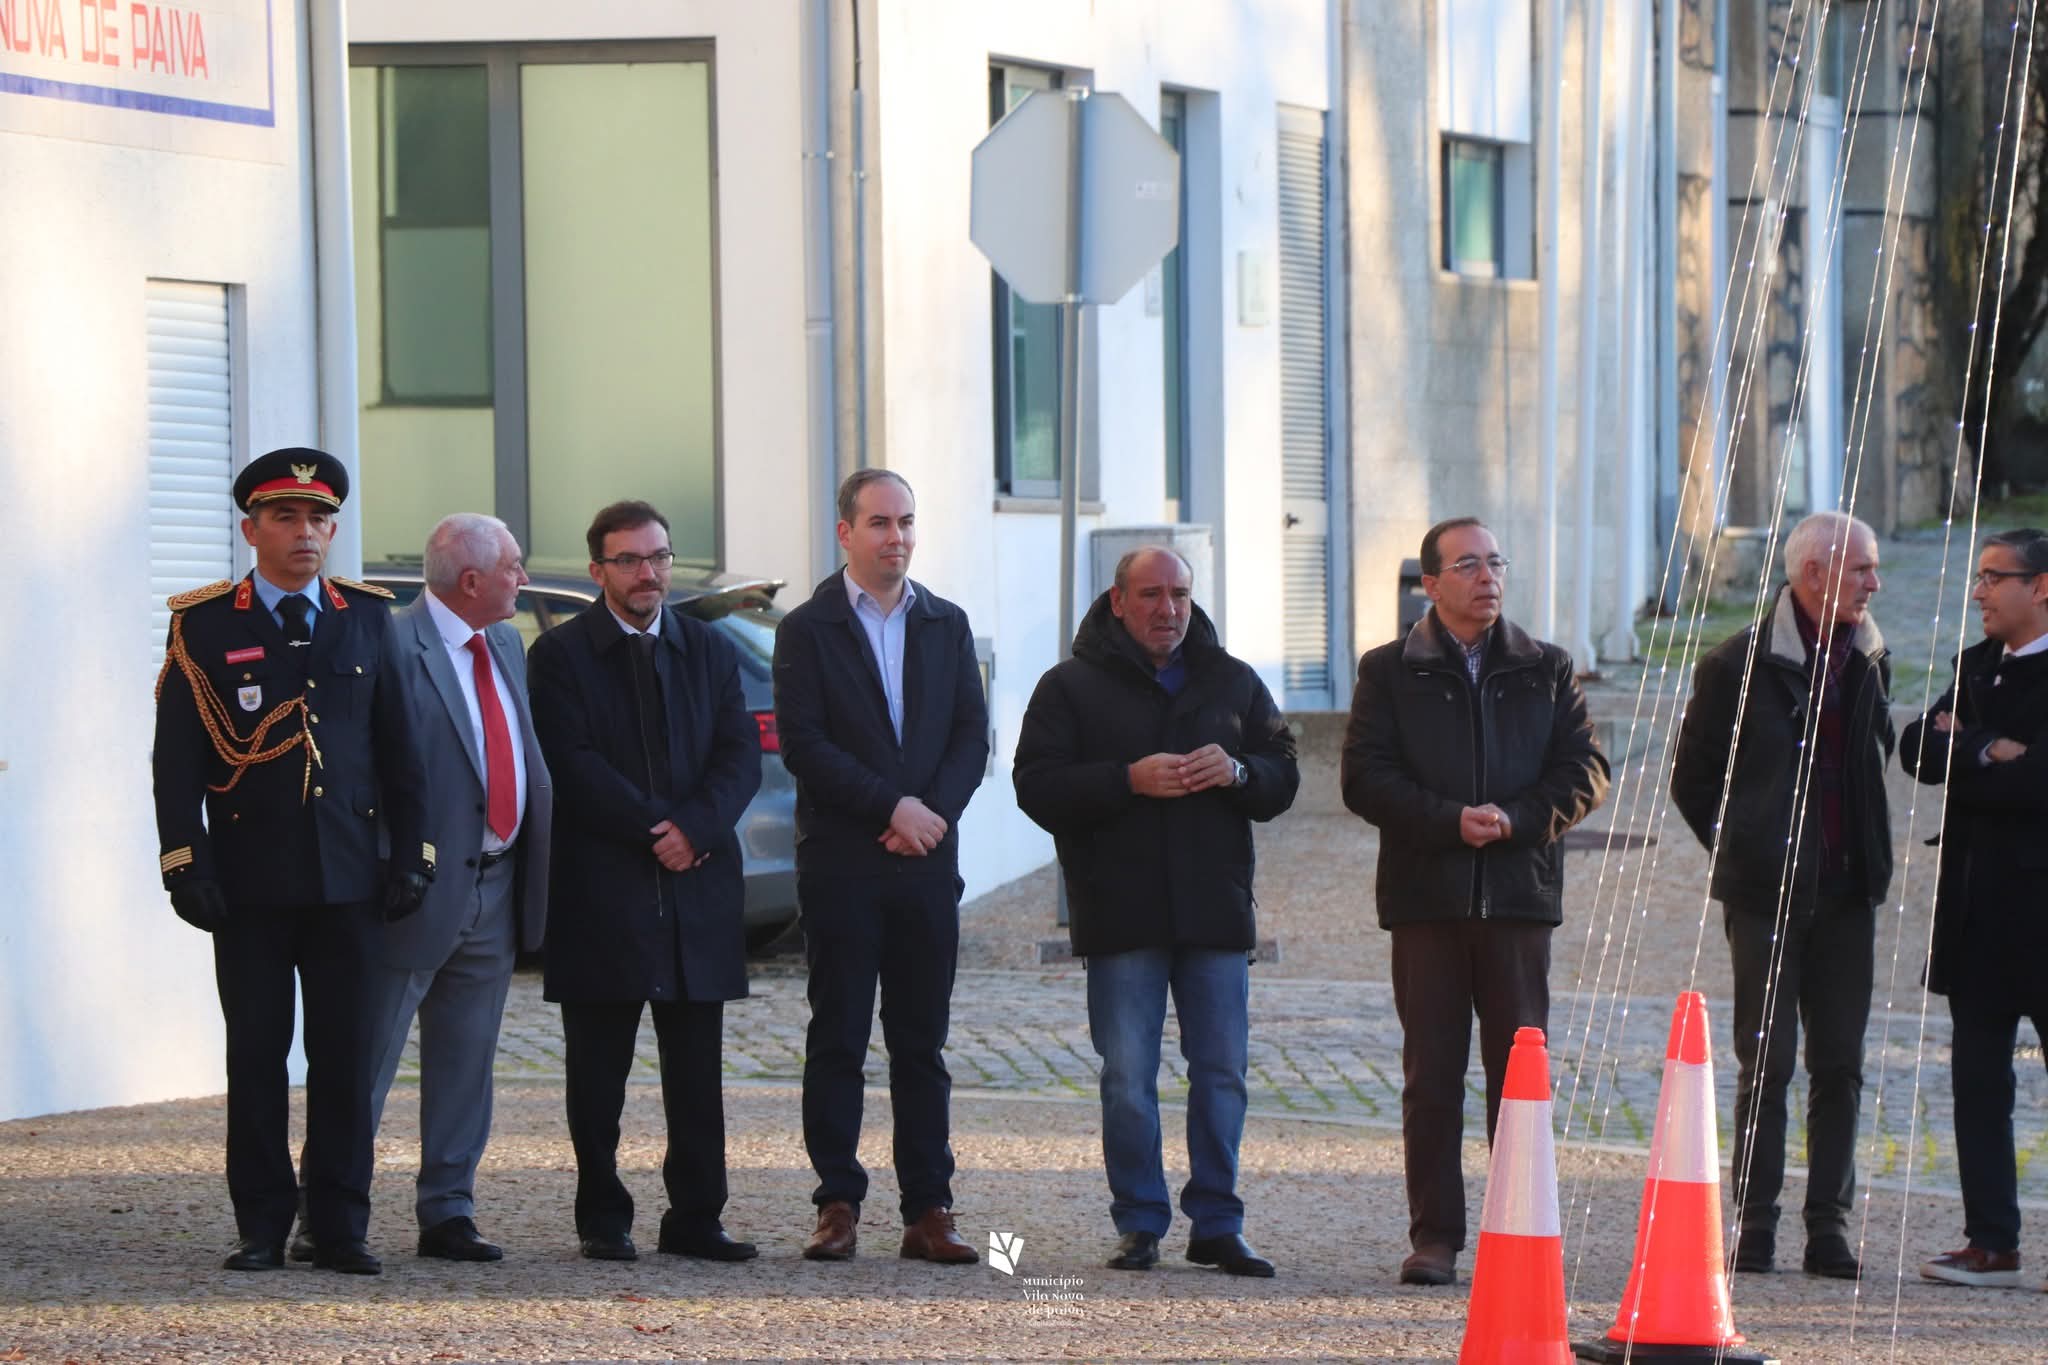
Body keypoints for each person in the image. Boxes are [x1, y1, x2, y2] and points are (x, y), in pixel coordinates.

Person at [152, 446, 432, 1274]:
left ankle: (339, 1225)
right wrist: (185, 862)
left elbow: (402, 749)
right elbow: (176, 761)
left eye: (318, 518)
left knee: (345, 1058)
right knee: (257, 1056)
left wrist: (413, 855)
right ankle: (263, 1224)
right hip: (249, 882)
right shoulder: (206, 624)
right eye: (285, 517)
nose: (305, 532)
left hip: (349, 879)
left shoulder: (367, 617)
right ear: (251, 530)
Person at [1013, 547, 1300, 1277]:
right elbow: (1036, 787)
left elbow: (1283, 775)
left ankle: (1218, 1222)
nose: (1167, 609)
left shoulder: (1232, 680)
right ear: (1118, 601)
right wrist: (1125, 780)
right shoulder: (1069, 686)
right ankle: (1139, 1221)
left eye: (1179, 594)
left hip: (1214, 910)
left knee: (1223, 1072)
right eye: (1150, 594)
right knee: (1128, 1076)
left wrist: (1239, 771)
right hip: (1121, 912)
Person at [1339, 516, 1608, 1287]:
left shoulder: (1545, 667)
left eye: (1495, 561)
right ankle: (1435, 1237)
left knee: (1519, 1078)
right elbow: (1364, 778)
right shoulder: (1389, 670)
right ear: (1429, 584)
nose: (1488, 577)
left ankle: (1518, 1229)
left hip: (1519, 899)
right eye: (1467, 565)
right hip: (1426, 900)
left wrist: (1517, 819)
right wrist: (1449, 820)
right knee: (1431, 1076)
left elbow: (1586, 770)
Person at [526, 500, 763, 1264]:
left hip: (696, 885)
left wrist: (696, 827)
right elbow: (571, 760)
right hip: (603, 889)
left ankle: (697, 1215)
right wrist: (655, 827)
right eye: (628, 560)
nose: (647, 572)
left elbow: (739, 754)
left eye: (658, 556)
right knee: (598, 1073)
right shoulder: (560, 654)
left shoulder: (708, 647)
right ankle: (603, 1215)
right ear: (598, 570)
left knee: (696, 1072)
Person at [772, 468, 990, 1264]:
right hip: (842, 865)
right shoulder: (808, 629)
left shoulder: (946, 622)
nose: (896, 536)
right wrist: (891, 808)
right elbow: (805, 745)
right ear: (846, 532)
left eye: (905, 522)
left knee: (921, 1043)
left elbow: (970, 735)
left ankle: (929, 1208)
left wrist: (930, 815)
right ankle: (836, 1204)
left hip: (926, 864)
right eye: (879, 523)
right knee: (838, 1037)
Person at [1669, 510, 1891, 1279]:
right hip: (1765, 896)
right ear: (1814, 574)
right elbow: (1693, 781)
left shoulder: (1869, 655)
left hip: (1849, 893)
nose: (1875, 583)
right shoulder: (1735, 664)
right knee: (1766, 1059)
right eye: (1862, 568)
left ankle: (1828, 1227)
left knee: (1841, 1063)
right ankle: (1755, 1224)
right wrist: (1749, 847)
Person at [362, 513, 551, 1263]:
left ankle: (448, 1210)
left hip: (496, 884)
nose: (523, 578)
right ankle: (330, 1206)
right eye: (512, 567)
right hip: (413, 888)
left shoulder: (504, 642)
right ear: (471, 580)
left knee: (467, 1061)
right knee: (368, 1056)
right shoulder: (391, 644)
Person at [1902, 527, 2048, 1289]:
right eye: (1979, 577)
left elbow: (2039, 784)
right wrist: (1992, 747)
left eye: (1995, 577)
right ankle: (1992, 1241)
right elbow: (1915, 749)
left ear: (2042, 586)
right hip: (1977, 916)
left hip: (2042, 918)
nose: (1979, 592)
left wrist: (1970, 748)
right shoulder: (1977, 664)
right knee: (1978, 1087)